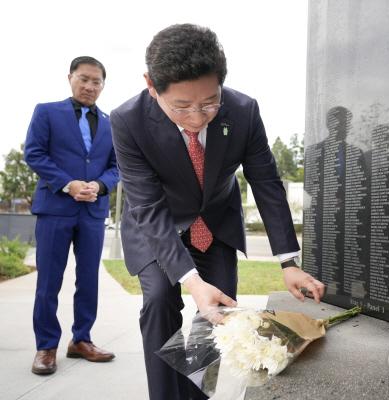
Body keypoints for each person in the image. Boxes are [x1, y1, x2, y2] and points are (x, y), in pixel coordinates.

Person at [110, 24, 325, 400]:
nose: (197, 116)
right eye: (181, 106)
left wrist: (289, 262)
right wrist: (191, 282)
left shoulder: (243, 111)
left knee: (217, 312)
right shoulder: (127, 120)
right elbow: (146, 203)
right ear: (151, 85)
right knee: (161, 298)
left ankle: (195, 396)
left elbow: (266, 183)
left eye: (209, 102)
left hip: (215, 222)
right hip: (157, 223)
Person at [24, 56, 120, 375]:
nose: (90, 86)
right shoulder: (47, 111)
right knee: (49, 281)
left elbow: (117, 167)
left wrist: (99, 185)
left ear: (103, 85)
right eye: (84, 79)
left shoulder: (110, 122)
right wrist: (68, 184)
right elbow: (34, 153)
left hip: (93, 212)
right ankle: (46, 346)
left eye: (97, 81)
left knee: (89, 279)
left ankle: (81, 340)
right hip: (55, 209)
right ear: (70, 78)